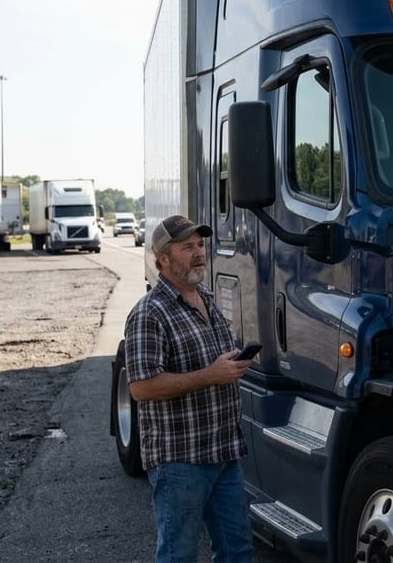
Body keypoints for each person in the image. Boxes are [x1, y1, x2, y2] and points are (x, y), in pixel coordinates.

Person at [124, 214, 254, 562]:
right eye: (187, 247)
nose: (199, 253)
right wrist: (210, 375)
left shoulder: (206, 298)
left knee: (237, 549)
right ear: (163, 259)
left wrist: (232, 365)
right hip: (181, 459)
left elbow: (212, 365)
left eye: (200, 245)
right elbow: (140, 387)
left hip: (223, 450)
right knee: (178, 554)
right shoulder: (149, 313)